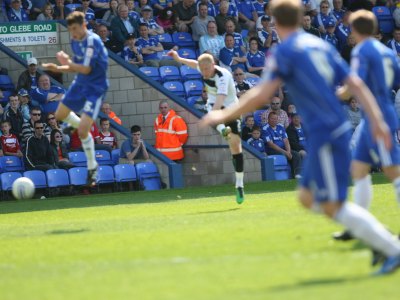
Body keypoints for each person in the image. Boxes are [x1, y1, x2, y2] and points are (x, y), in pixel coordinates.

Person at [201, 0, 400, 274]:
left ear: (274, 21)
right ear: (298, 18)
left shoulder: (286, 52)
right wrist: (377, 119)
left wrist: (223, 115)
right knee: (307, 197)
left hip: (328, 130)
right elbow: (353, 83)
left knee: (332, 203)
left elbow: (261, 93)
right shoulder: (320, 45)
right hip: (328, 129)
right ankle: (373, 234)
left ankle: (389, 247)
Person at [333, 10, 400, 243]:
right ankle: (358, 227)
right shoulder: (387, 52)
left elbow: (355, 83)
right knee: (358, 170)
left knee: (394, 172)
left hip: (377, 117)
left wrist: (337, 94)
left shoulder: (362, 50)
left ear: (355, 30)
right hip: (376, 114)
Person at [168, 50, 245, 204]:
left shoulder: (223, 76)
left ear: (213, 65)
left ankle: (239, 184)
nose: (204, 73)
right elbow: (193, 63)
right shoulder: (203, 68)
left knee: (236, 148)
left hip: (230, 107)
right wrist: (178, 58)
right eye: (202, 70)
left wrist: (211, 117)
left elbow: (220, 99)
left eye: (207, 69)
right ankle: (222, 129)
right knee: (211, 110)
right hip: (212, 104)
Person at [42, 11, 109, 186]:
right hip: (81, 83)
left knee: (83, 131)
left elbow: (86, 68)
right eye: (70, 29)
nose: (72, 33)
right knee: (59, 114)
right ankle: (74, 125)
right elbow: (77, 69)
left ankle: (93, 166)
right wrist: (57, 67)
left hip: (95, 87)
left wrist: (66, 62)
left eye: (75, 29)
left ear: (84, 25)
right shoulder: (75, 40)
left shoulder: (92, 41)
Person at [262, 111, 302, 178]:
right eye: (272, 118)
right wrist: (285, 152)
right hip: (272, 150)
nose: (274, 120)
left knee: (296, 154)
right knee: (284, 155)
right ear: (268, 119)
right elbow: (271, 144)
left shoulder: (280, 126)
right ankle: (287, 176)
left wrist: (288, 152)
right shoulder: (265, 128)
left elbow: (286, 140)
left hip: (284, 149)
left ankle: (296, 174)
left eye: (275, 119)